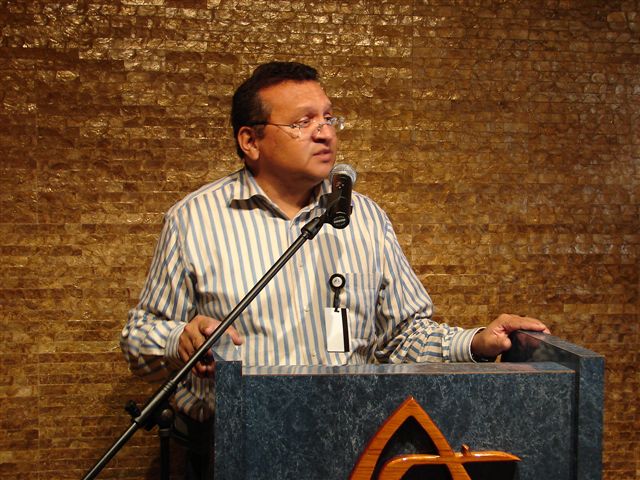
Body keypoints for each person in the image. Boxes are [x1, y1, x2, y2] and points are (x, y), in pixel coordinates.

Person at [120, 61, 549, 476]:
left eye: (328, 118)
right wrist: (180, 339)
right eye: (303, 122)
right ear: (250, 140)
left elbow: (402, 337)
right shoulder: (194, 220)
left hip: (351, 442)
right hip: (237, 446)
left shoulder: (366, 218)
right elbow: (138, 338)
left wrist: (476, 342)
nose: (324, 132)